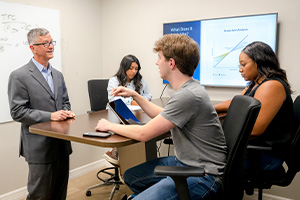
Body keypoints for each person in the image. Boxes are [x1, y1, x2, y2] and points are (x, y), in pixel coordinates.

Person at [95, 34, 227, 199]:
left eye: (159, 58)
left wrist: (109, 126)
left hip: (203, 175)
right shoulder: (189, 89)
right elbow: (162, 115)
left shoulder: (188, 95)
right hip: (186, 162)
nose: (157, 62)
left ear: (171, 63)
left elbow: (144, 134)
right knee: (131, 177)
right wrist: (135, 95)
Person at [8, 28, 75, 200]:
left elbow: (65, 101)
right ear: (33, 48)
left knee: (60, 193)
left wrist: (66, 111)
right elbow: (17, 111)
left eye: (52, 42)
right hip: (39, 146)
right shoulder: (19, 76)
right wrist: (50, 116)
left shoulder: (58, 75)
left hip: (61, 144)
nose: (51, 46)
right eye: (45, 43)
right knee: (40, 195)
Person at [214, 41, 293, 172]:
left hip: (264, 156)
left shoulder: (272, 86)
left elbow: (254, 130)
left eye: (243, 64)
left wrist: (215, 132)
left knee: (203, 159)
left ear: (259, 62)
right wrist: (211, 109)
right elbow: (236, 102)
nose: (240, 69)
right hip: (252, 150)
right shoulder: (255, 84)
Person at [105, 55, 152, 165]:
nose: (134, 71)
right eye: (131, 68)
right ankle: (118, 154)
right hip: (117, 113)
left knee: (144, 129)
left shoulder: (141, 81)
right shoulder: (114, 81)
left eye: (136, 69)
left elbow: (148, 95)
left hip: (137, 112)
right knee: (131, 129)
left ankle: (131, 160)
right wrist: (132, 101)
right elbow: (114, 100)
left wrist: (142, 100)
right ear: (124, 67)